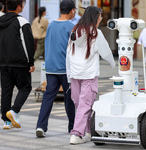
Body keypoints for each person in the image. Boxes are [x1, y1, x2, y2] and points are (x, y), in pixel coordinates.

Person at [67, 6, 116, 144]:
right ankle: (76, 134)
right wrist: (113, 63)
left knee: (80, 104)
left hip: (75, 74)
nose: (101, 18)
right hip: (89, 74)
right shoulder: (96, 32)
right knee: (85, 105)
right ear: (95, 17)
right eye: (100, 16)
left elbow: (68, 54)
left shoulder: (75, 31)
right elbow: (105, 51)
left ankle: (89, 131)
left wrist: (69, 74)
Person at [36, 0, 76, 138]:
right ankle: (72, 128)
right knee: (69, 99)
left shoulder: (51, 25)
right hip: (65, 69)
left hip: (51, 68)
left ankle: (41, 126)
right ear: (72, 11)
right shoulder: (71, 27)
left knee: (48, 97)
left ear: (60, 10)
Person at [0, 0, 35, 129]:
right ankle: (14, 111)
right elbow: (28, 44)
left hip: (3, 63)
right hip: (20, 63)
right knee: (25, 88)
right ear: (19, 6)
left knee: (6, 91)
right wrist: (30, 62)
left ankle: (6, 121)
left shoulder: (1, 21)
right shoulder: (22, 22)